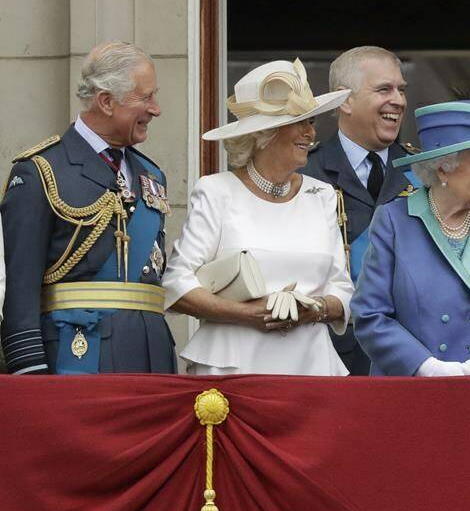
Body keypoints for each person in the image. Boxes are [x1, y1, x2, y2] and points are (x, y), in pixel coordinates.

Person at [163, 59, 355, 375]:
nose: (310, 132)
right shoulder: (216, 192)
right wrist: (247, 314)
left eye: (311, 122)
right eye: (300, 122)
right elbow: (177, 284)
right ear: (264, 134)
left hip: (311, 368)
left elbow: (342, 290)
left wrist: (314, 309)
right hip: (233, 369)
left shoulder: (321, 195)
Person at [0, 41, 175, 374]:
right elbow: (19, 290)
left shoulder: (151, 175)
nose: (156, 109)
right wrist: (30, 373)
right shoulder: (41, 171)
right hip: (76, 355)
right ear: (106, 101)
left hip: (150, 355)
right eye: (146, 97)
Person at [352, 97, 470, 376]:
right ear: (443, 168)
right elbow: (369, 313)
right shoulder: (394, 221)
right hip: (409, 392)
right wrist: (425, 367)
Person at [301, 45, 417, 374]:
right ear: (345, 100)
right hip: (328, 354)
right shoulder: (305, 172)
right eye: (384, 89)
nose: (399, 100)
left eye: (401, 90)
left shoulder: (424, 173)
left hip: (408, 355)